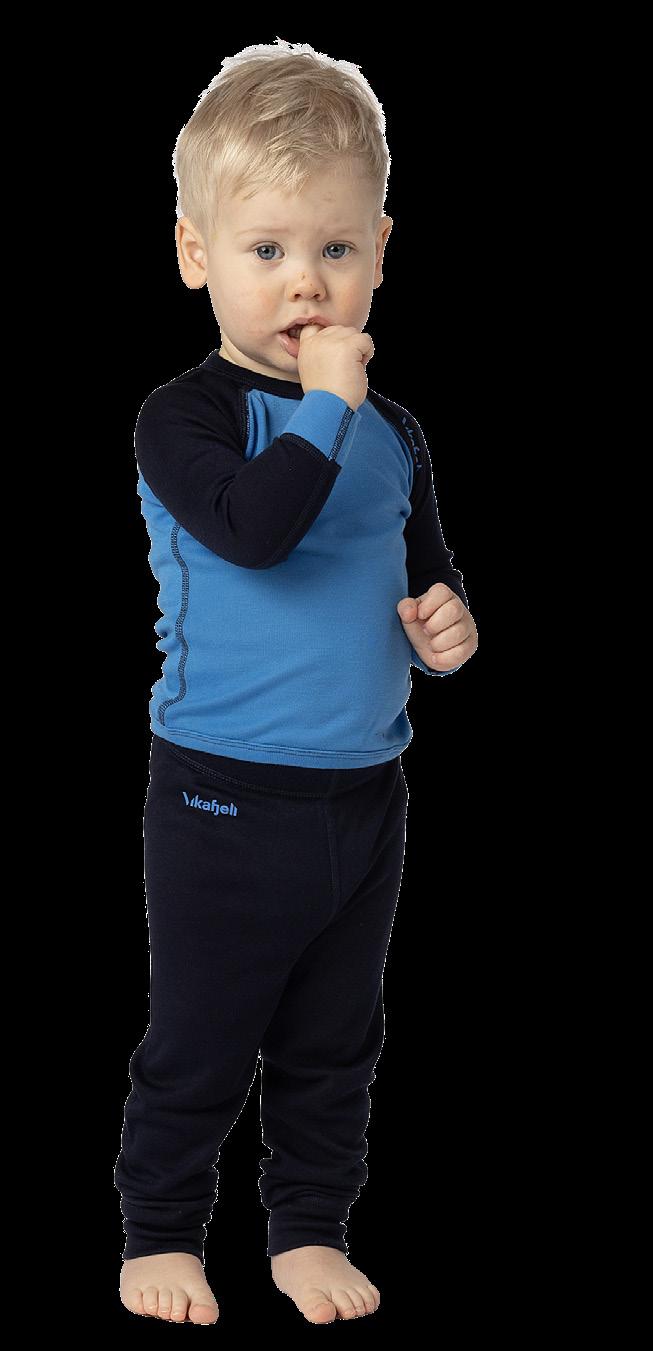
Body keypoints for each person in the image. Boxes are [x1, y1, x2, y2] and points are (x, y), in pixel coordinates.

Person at [115, 38, 478, 1328]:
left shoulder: (397, 434)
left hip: (364, 795)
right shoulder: (186, 419)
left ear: (380, 250)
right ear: (196, 253)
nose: (306, 282)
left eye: (334, 248)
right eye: (266, 249)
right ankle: (161, 1232)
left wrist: (444, 626)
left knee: (336, 1037)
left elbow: (417, 573)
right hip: (222, 792)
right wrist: (325, 403)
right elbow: (257, 531)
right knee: (205, 1033)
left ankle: (309, 1227)